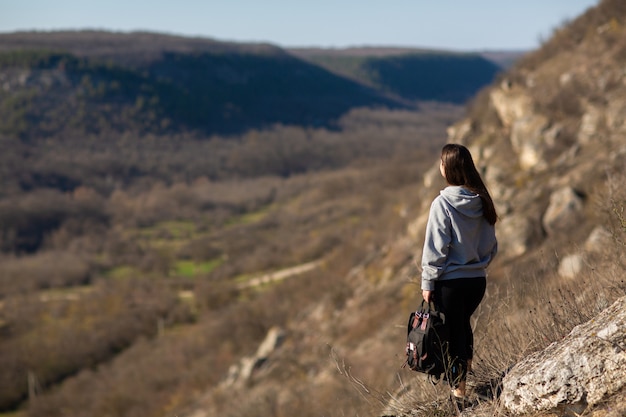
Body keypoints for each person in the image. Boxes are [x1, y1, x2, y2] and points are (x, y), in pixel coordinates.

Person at [420, 143, 498, 407]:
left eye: (441, 162)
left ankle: (459, 397)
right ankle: (463, 385)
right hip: (477, 282)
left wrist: (428, 281)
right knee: (462, 328)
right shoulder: (482, 200)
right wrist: (478, 264)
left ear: (449, 168)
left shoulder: (442, 204)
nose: (439, 166)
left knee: (453, 339)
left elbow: (435, 247)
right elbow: (491, 245)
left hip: (450, 284)